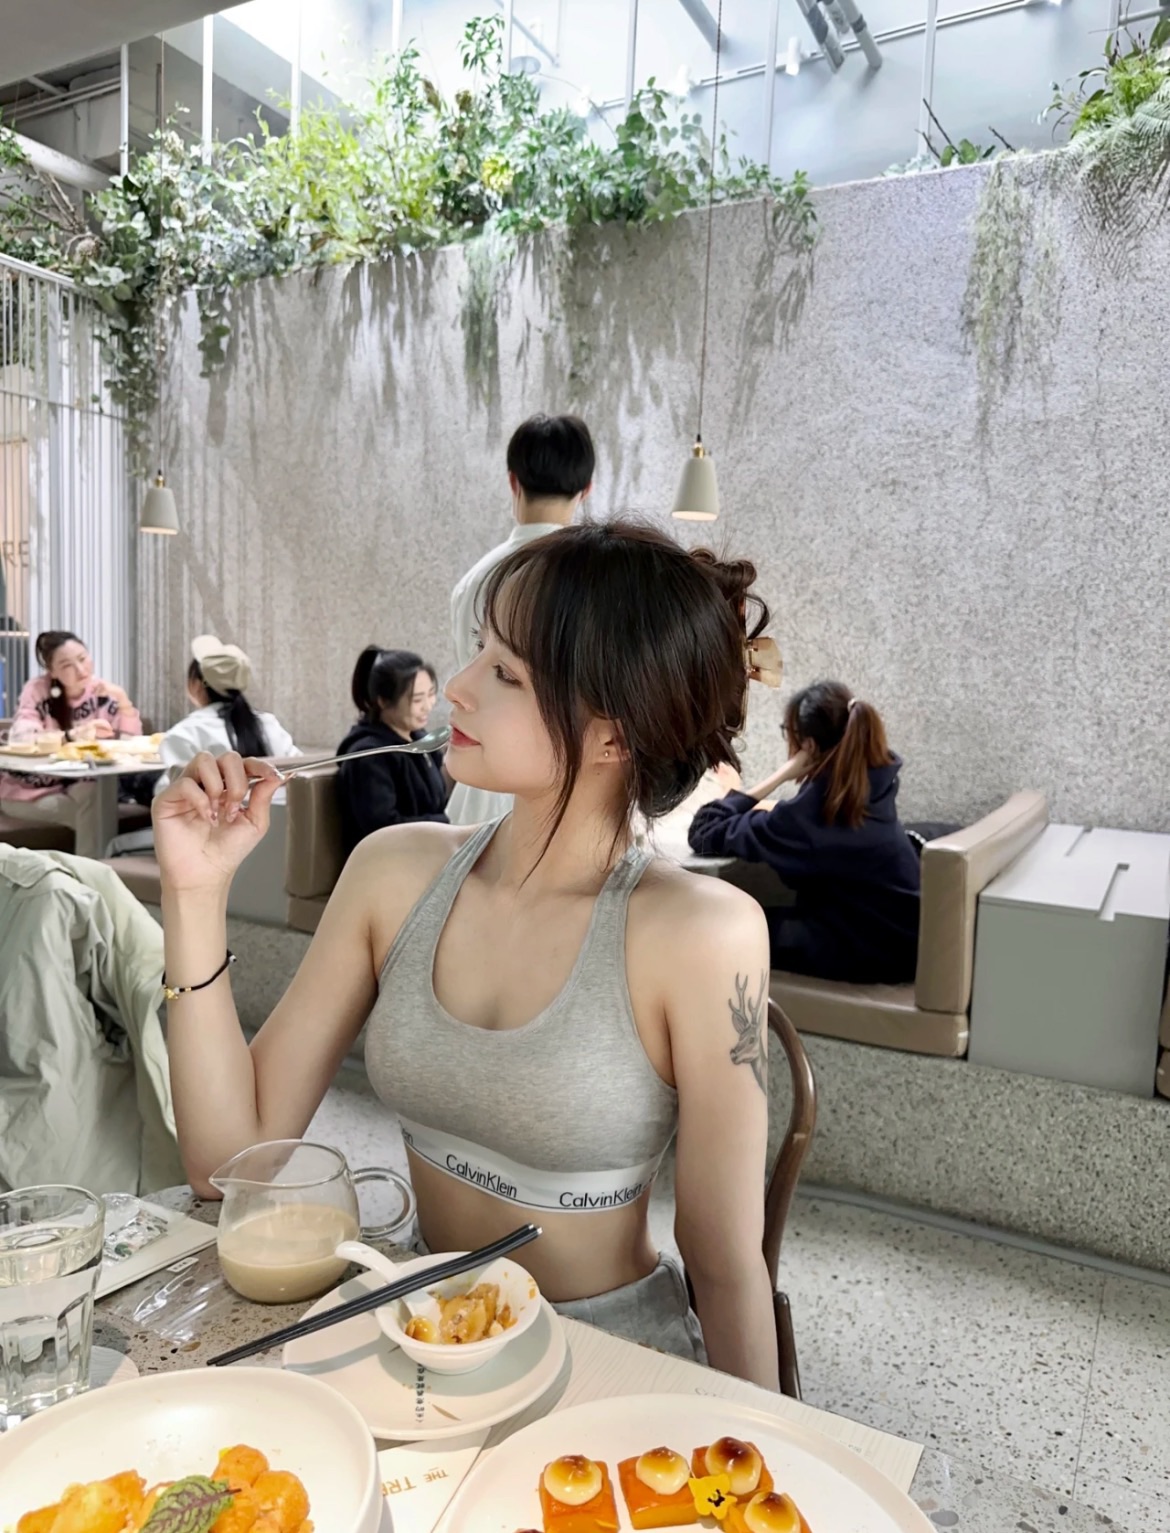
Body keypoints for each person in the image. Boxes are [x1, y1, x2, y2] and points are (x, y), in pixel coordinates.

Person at [153, 521, 779, 1388]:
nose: (456, 686)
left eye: (507, 673)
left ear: (613, 736)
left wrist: (767, 1446)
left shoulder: (701, 933)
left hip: (607, 1359)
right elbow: (228, 1164)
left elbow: (725, 1260)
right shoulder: (393, 872)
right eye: (480, 650)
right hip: (422, 1330)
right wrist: (193, 893)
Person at [688, 680, 921, 984]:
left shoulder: (809, 818)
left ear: (808, 746)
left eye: (788, 732)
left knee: (718, 929)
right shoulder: (872, 786)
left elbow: (704, 831)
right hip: (902, 939)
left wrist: (781, 775)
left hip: (868, 950)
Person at [446, 413, 594, 826]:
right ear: (587, 489)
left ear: (513, 482)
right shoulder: (592, 587)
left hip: (475, 794)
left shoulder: (473, 580)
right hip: (557, 793)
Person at [0, 630, 142, 858]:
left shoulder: (102, 693)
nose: (81, 669)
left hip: (76, 783)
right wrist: (72, 735)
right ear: (52, 671)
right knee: (95, 817)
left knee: (93, 794)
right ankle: (93, 874)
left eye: (83, 658)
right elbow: (23, 738)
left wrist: (123, 701)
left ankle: (96, 871)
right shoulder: (37, 691)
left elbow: (130, 745)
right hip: (26, 790)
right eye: (66, 665)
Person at [335, 648, 448, 856]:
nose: (428, 706)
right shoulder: (369, 756)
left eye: (431, 694)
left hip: (428, 853)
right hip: (389, 864)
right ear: (384, 701)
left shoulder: (421, 741)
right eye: (417, 700)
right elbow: (383, 829)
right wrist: (447, 823)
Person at [156, 636, 300, 797]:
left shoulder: (185, 734)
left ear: (197, 684)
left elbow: (171, 794)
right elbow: (300, 770)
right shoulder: (269, 724)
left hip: (218, 813)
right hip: (283, 811)